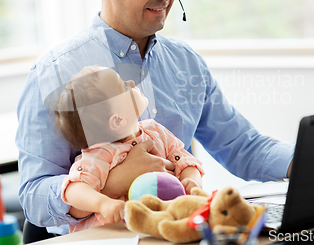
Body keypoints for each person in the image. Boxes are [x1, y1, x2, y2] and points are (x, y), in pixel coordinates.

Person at [16, 0, 294, 235]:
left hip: (178, 233)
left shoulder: (186, 62)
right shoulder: (53, 72)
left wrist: (311, 162)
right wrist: (113, 184)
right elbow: (34, 198)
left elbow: (242, 146)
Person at [53, 65, 203, 232]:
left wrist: (192, 182)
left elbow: (186, 161)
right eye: (123, 86)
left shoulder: (156, 131)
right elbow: (74, 189)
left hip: (165, 226)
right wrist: (104, 204)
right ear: (118, 121)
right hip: (116, 236)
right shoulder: (99, 156)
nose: (131, 82)